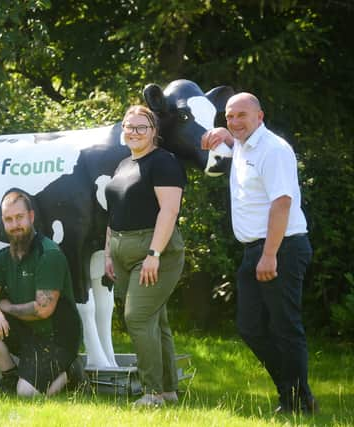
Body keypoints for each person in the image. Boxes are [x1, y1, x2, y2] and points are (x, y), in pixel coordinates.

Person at [201, 92, 317, 414]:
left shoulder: (274, 150)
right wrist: (224, 134)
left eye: (242, 116)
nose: (235, 122)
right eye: (229, 117)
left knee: (285, 326)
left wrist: (270, 255)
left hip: (281, 248)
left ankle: (296, 403)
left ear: (260, 117)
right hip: (255, 250)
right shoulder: (241, 143)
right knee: (250, 327)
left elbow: (282, 203)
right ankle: (297, 393)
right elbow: (230, 137)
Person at [0, 190, 85, 397]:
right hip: (27, 333)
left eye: (19, 217)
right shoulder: (2, 257)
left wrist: (7, 308)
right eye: (8, 220)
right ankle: (10, 377)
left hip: (56, 339)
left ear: (31, 217)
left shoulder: (49, 254)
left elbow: (43, 310)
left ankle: (72, 371)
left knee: (27, 394)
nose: (15, 225)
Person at [103, 105, 186, 407]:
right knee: (155, 320)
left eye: (141, 127)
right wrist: (108, 252)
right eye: (129, 126)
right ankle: (168, 390)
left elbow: (169, 210)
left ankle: (151, 393)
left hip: (153, 250)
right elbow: (114, 212)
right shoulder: (123, 163)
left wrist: (154, 253)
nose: (134, 132)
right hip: (122, 249)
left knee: (136, 317)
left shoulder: (163, 162)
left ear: (154, 132)